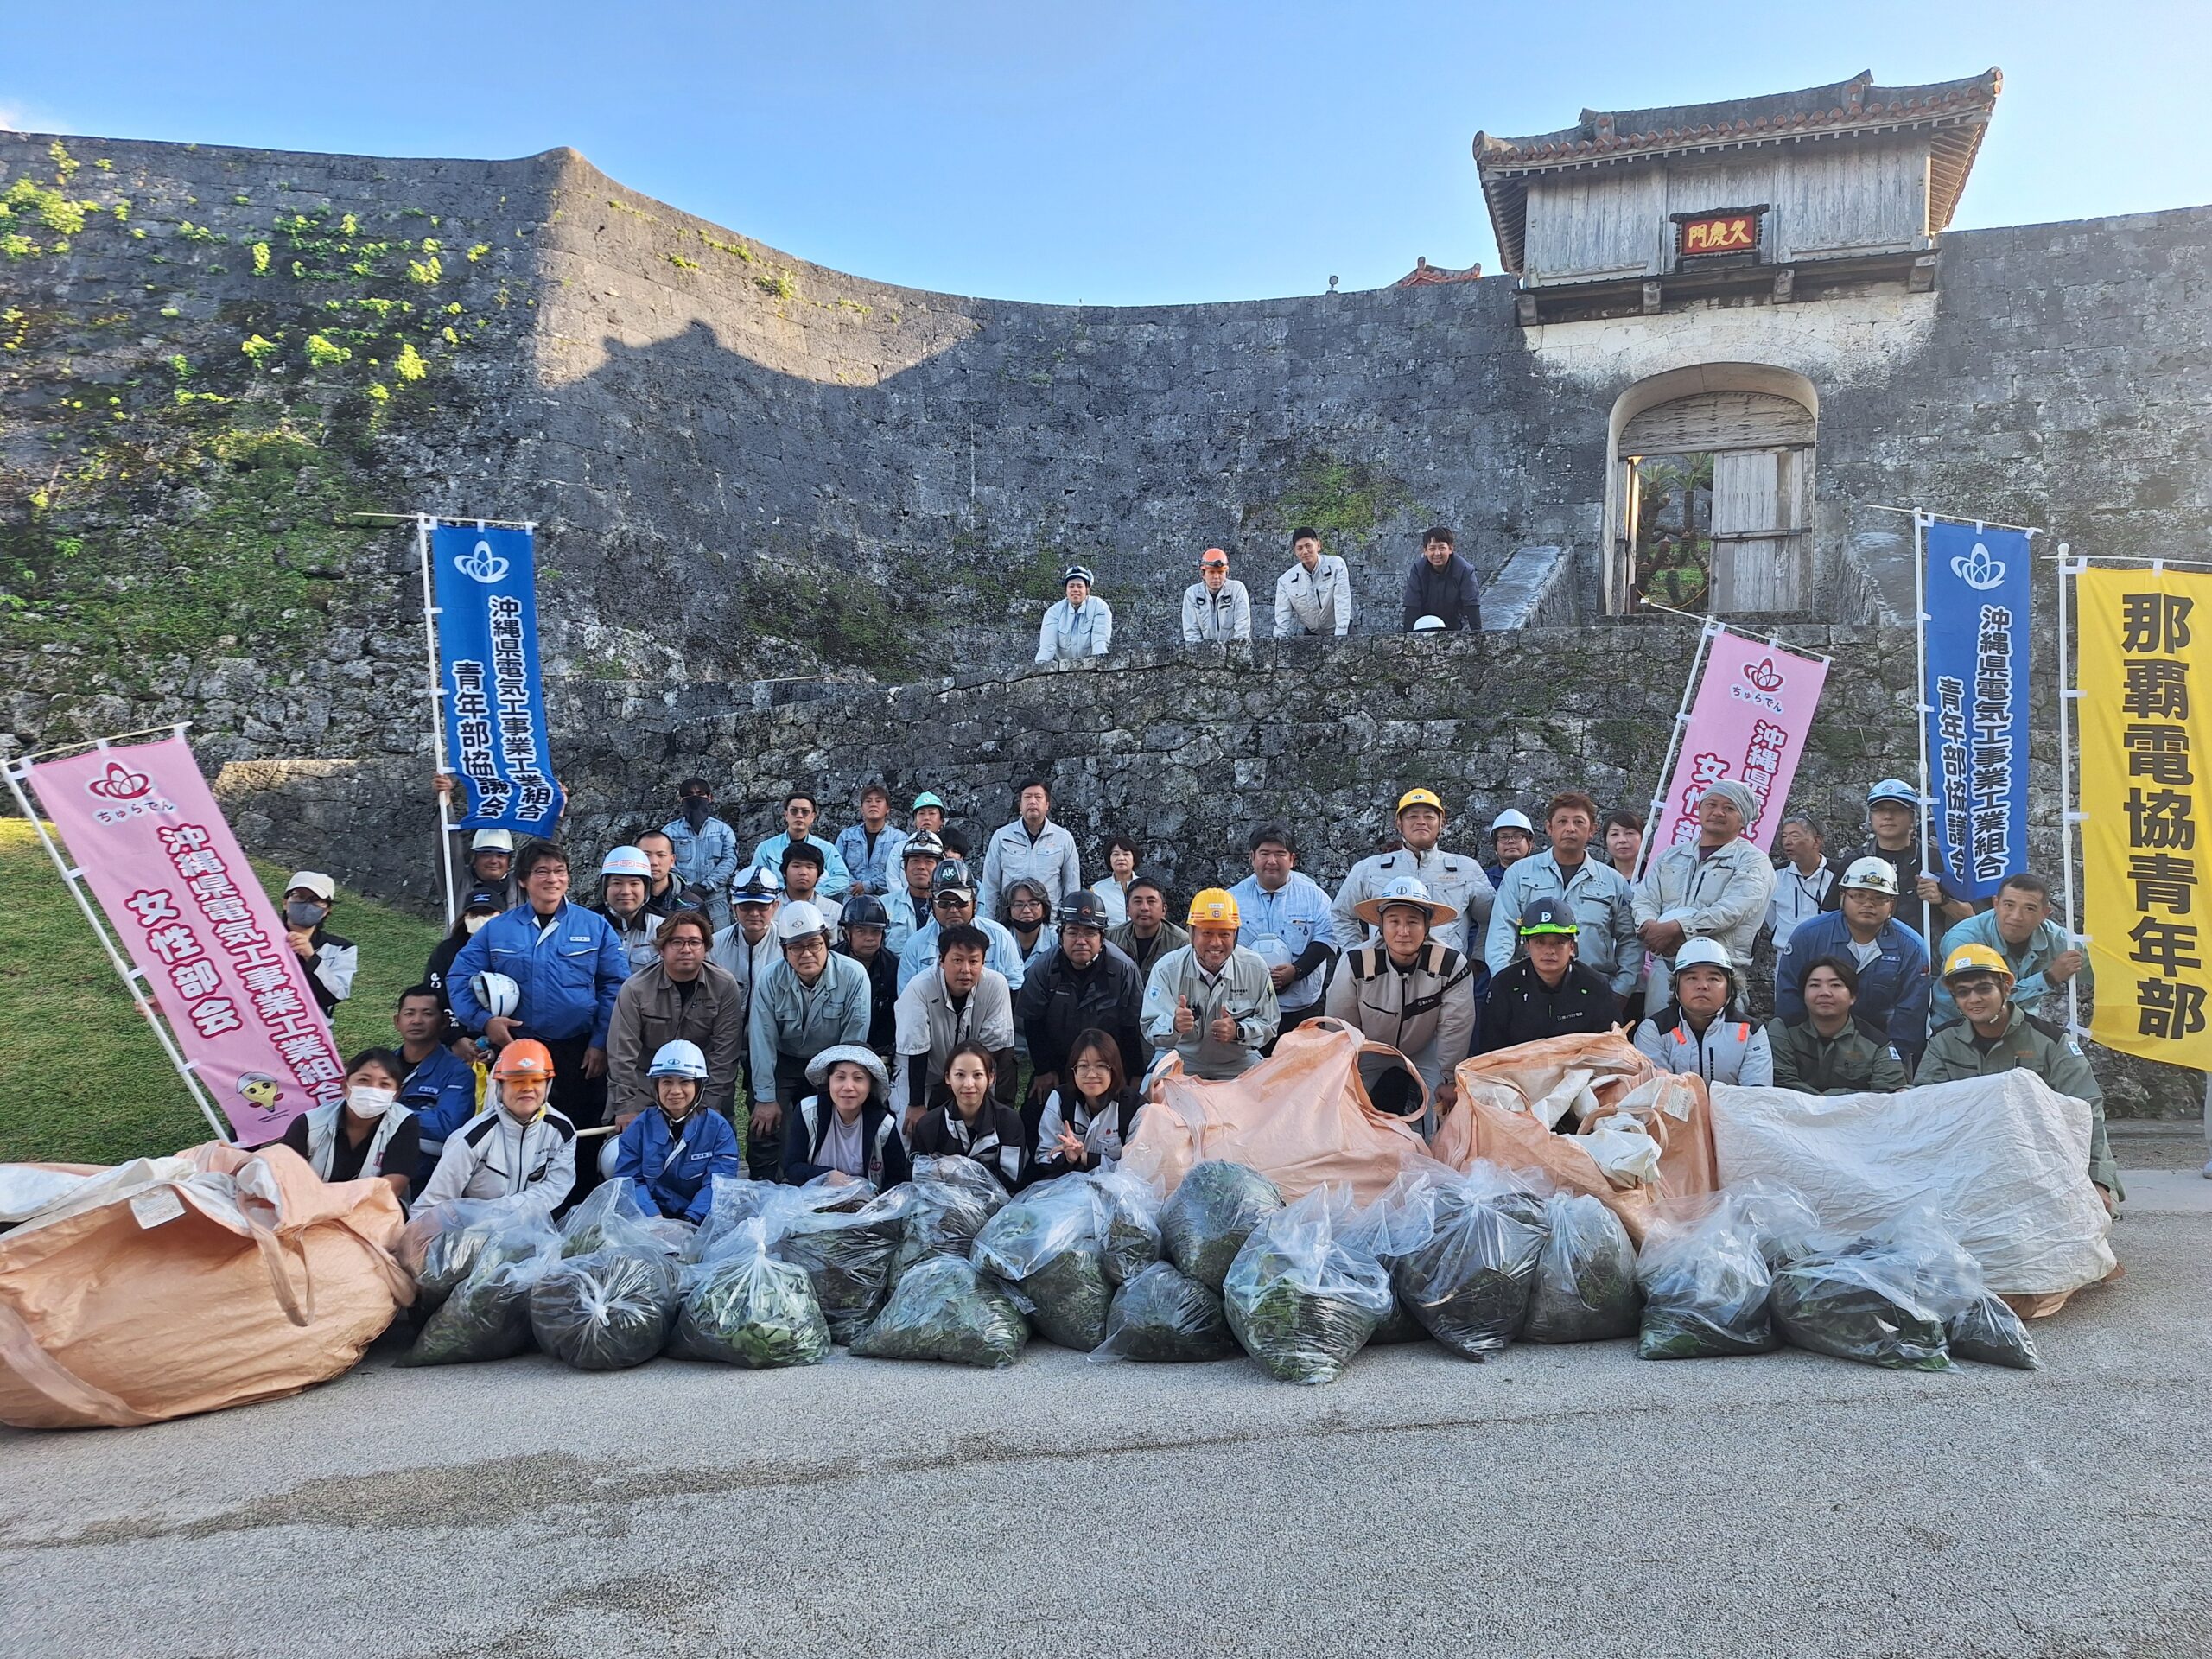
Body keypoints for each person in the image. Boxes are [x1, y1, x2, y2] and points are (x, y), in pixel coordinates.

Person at [448, 842, 628, 1149]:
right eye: (541, 872)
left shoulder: (594, 926)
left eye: (559, 871)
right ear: (522, 880)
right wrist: (484, 1021)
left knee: (579, 1136)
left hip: (580, 1052)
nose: (552, 879)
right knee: (517, 1135)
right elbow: (459, 977)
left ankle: (580, 1196)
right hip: (517, 1047)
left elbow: (616, 986)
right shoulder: (497, 929)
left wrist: (600, 1043)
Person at [1918, 944, 2120, 1209]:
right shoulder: (1943, 1042)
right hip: (1967, 1160)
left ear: (2006, 987)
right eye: (1963, 993)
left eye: (1983, 988)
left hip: (2043, 1158)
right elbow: (1924, 1107)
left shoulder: (2051, 1042)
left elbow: (2087, 1110)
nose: (1974, 999)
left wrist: (2099, 1181)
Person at [1324, 876, 1474, 1122]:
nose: (1403, 931)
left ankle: (1434, 1155)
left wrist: (1449, 1078)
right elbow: (1339, 1028)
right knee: (1342, 1107)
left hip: (1426, 1050)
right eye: (1394, 921)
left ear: (1427, 927)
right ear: (1381, 926)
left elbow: (1455, 1027)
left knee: (1445, 1111)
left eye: (1413, 922)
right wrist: (1340, 1074)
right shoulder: (1355, 961)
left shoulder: (1451, 964)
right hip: (1368, 1049)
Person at [747, 900, 873, 1181]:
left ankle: (821, 1183)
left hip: (834, 1062)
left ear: (827, 942)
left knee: (827, 1121)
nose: (806, 954)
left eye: (814, 945)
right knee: (764, 1126)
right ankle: (765, 1190)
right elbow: (761, 1038)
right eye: (796, 948)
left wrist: (840, 1085)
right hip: (784, 1061)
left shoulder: (853, 976)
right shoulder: (769, 978)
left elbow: (852, 1043)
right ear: (785, 951)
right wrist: (766, 1098)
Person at [1485, 793, 1640, 1014]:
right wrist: (1507, 984)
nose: (1570, 828)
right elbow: (1502, 930)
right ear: (1549, 828)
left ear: (1592, 830)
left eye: (1579, 822)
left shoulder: (1612, 881)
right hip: (1528, 992)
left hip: (1594, 993)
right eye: (1562, 821)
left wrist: (1621, 990)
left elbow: (1630, 940)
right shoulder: (1519, 874)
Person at [1775, 856, 1931, 1069]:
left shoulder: (1911, 947)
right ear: (1842, 897)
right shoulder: (1808, 936)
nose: (1868, 904)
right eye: (1858, 895)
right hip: (1813, 1048)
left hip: (1881, 1049)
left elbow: (1910, 1015)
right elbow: (1789, 999)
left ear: (1892, 904)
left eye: (1880, 898)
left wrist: (1895, 1064)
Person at [606, 911, 746, 1142]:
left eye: (694, 942)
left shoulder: (724, 985)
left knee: (711, 1151)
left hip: (703, 1085)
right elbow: (622, 1053)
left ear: (706, 948)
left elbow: (725, 1054)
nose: (686, 949)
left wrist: (708, 1107)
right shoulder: (635, 989)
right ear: (661, 949)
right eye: (677, 942)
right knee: (624, 1153)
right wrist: (625, 1107)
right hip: (646, 1085)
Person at [1017, 891, 1145, 1126]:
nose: (1081, 940)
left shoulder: (1123, 970)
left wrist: (1134, 1075)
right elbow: (1033, 1021)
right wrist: (1044, 1069)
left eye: (1089, 933)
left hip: (1109, 1062)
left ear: (1102, 937)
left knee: (1128, 1117)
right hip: (1057, 1058)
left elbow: (1131, 1025)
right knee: (1033, 1113)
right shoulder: (1043, 969)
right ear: (1060, 935)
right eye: (1073, 932)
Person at [1632, 780, 1775, 989]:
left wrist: (1678, 928)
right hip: (1666, 966)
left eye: (1729, 808)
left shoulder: (1754, 861)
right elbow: (1644, 899)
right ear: (1699, 810)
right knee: (1659, 1022)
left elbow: (1733, 909)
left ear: (1743, 820)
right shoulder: (1670, 857)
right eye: (1711, 805)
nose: (1718, 812)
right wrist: (1649, 926)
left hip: (1720, 969)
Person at [1331, 787, 1491, 957]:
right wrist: (1358, 957)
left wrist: (1479, 959)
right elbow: (1341, 915)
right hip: (1382, 975)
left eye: (1429, 816)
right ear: (1399, 824)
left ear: (1442, 823)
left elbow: (1491, 919)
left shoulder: (1467, 869)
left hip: (1445, 973)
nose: (1421, 822)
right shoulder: (1369, 869)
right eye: (1412, 816)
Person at [416, 1038, 577, 1207]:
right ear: (500, 1087)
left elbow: (557, 1186)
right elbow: (431, 1204)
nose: (528, 1088)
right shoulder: (470, 1139)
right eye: (517, 1081)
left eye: (536, 1080)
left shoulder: (562, 1130)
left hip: (533, 1227)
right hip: (473, 1230)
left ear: (548, 1085)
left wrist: (509, 1213)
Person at [1140, 889, 1281, 1080]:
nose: (1216, 943)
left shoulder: (1255, 968)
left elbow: (1269, 1023)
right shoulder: (1167, 969)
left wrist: (1238, 1031)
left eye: (1225, 934)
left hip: (1238, 1061)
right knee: (1150, 1100)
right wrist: (1174, 1025)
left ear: (1236, 935)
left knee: (1271, 1097)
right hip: (1179, 1058)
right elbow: (1149, 1026)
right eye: (1206, 933)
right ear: (1191, 933)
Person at [1822, 779, 1974, 949]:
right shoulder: (1855, 861)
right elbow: (1830, 916)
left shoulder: (1936, 859)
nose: (1887, 816)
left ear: (1913, 817)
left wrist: (1941, 899)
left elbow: (1971, 917)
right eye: (1879, 810)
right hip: (1864, 956)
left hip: (1925, 959)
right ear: (1870, 818)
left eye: (1897, 810)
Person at [891, 926, 1018, 1129]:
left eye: (974, 961)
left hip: (972, 1069)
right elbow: (916, 1050)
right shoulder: (919, 987)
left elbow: (995, 1048)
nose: (965, 970)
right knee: (908, 1130)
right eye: (957, 960)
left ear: (983, 962)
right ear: (941, 960)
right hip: (922, 1071)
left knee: (984, 1126)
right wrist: (916, 1105)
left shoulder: (996, 985)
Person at [1933, 872, 2091, 1027]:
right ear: (1996, 904)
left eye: (2029, 908)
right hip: (1958, 1023)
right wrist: (2049, 977)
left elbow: (2103, 969)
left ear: (2045, 914)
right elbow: (1981, 999)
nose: (2016, 916)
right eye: (2009, 905)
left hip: (2020, 1023)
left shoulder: (2060, 941)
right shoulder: (1964, 940)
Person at [612, 1039, 743, 1223]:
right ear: (656, 1086)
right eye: (667, 1082)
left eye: (685, 1082)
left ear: (698, 1087)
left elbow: (720, 1183)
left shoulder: (718, 1129)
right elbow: (630, 1180)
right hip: (649, 1220)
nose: (675, 1091)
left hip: (701, 1219)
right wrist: (655, 1220)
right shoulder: (638, 1128)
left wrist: (690, 1220)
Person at [1230, 823, 1338, 1044]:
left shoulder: (1314, 896)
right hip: (1249, 1010)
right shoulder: (1232, 899)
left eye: (1280, 854)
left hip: (1302, 1009)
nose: (1272, 861)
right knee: (1253, 1073)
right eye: (1265, 854)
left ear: (1292, 859)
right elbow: (1221, 946)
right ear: (1252, 857)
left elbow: (1328, 938)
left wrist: (1296, 971)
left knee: (1305, 1073)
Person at [1478, 898, 1622, 1061]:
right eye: (1540, 942)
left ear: (1572, 947)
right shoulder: (1504, 985)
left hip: (1581, 1075)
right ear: (1527, 946)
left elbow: (1611, 1049)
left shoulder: (1595, 986)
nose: (1549, 951)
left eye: (1559, 942)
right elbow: (1489, 1052)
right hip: (1515, 1076)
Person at [280, 1047, 420, 1202]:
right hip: (309, 1205)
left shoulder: (404, 1123)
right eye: (363, 1081)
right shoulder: (309, 1123)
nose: (373, 1090)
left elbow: (395, 1183)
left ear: (396, 1094)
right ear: (345, 1087)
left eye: (384, 1084)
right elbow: (287, 1176)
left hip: (374, 1208)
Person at [1632, 939, 1773, 1085]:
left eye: (1713, 978)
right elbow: (1656, 1091)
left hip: (1736, 1108)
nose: (1703, 986)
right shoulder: (1654, 1030)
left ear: (1729, 988)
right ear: (1676, 987)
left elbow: (1757, 1094)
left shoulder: (1752, 1031)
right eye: (1692, 978)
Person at [1768, 957, 1910, 1095]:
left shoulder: (1877, 1044)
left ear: (1853, 997)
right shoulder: (1783, 1030)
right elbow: (1781, 1082)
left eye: (1835, 985)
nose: (1824, 993)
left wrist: (1830, 1100)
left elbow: (1889, 1094)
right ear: (1804, 995)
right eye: (1814, 985)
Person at [392, 983, 481, 1188]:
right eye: (409, 1013)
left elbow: (447, 1126)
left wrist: (385, 1110)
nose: (416, 1020)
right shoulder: (380, 1064)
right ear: (397, 1021)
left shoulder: (458, 1072)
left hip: (425, 1180)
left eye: (427, 1014)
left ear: (444, 1022)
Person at [785, 1044, 912, 1187]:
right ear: (829, 1081)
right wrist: (827, 1176)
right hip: (811, 1202)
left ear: (870, 1085)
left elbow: (898, 1180)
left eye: (858, 1078)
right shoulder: (807, 1112)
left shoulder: (884, 1125)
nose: (848, 1087)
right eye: (840, 1077)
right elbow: (792, 1168)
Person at [895, 858, 1028, 994]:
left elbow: (1016, 986)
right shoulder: (915, 945)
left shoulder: (1000, 937)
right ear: (932, 906)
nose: (953, 910)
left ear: (975, 904)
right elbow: (907, 997)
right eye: (944, 903)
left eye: (961, 902)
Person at [907, 1043, 1027, 1192]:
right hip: (941, 1205)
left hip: (996, 1206)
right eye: (960, 1075)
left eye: (977, 1075)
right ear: (947, 1078)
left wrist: (957, 1171)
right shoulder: (928, 1125)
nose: (969, 1084)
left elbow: (1012, 1179)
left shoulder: (1009, 1122)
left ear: (991, 1078)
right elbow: (916, 1176)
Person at [1033, 1027, 1147, 1179]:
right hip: (1066, 1190)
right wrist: (1064, 1155)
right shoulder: (1061, 1099)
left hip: (1118, 1194)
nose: (1091, 1075)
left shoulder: (1135, 1108)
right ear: (1073, 1070)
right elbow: (1043, 1156)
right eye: (1083, 1066)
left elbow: (1136, 1168)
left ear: (1114, 1069)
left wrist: (1084, 1157)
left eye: (1101, 1066)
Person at [979, 779, 1084, 916]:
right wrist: (987, 924)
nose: (1032, 801)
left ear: (1047, 805)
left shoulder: (1063, 838)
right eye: (1027, 797)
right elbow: (989, 886)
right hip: (1011, 922)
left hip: (1050, 924)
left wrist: (1069, 925)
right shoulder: (1002, 837)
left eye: (1038, 797)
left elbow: (1072, 888)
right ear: (1020, 805)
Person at [424, 885, 504, 1054]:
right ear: (465, 917)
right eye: (474, 914)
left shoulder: (515, 952)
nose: (481, 919)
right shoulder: (446, 952)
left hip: (504, 1040)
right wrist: (455, 1038)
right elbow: (435, 996)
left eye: (488, 914)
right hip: (453, 1043)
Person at [664, 779, 740, 928]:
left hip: (716, 901)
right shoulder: (670, 832)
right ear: (681, 799)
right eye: (689, 795)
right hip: (682, 900)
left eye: (700, 794)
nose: (695, 798)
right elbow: (667, 862)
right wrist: (689, 887)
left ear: (710, 797)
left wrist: (708, 885)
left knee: (720, 944)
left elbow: (730, 859)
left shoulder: (723, 830)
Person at [281, 871, 357, 1017]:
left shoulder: (342, 948)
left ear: (326, 910)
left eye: (316, 900)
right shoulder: (262, 938)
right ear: (285, 902)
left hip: (306, 1031)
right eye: (300, 896)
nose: (307, 904)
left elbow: (335, 995)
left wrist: (311, 958)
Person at [750, 792, 852, 899]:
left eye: (805, 812)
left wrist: (813, 894)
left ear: (813, 817)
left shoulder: (827, 849)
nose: (799, 815)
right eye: (794, 811)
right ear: (786, 815)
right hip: (777, 906)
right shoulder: (766, 848)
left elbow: (842, 877)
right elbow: (757, 879)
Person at [836, 895, 900, 1059]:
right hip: (834, 1047)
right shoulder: (831, 961)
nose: (870, 938)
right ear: (846, 932)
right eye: (861, 931)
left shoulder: (894, 966)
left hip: (879, 1050)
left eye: (876, 931)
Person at [1769, 815, 1844, 947]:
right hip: (1787, 953)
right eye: (1784, 836)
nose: (1788, 842)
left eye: (1795, 836)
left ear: (1816, 841)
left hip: (1827, 953)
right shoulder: (1775, 875)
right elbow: (1770, 915)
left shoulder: (1838, 874)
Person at [591, 845, 660, 975]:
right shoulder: (587, 924)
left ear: (646, 889)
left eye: (634, 884)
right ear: (605, 888)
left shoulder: (663, 925)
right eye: (617, 883)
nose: (626, 892)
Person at [834, 782, 908, 899]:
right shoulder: (847, 836)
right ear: (861, 808)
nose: (873, 804)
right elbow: (837, 866)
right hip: (850, 899)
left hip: (886, 900)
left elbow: (900, 871)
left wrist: (868, 886)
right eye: (868, 801)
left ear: (887, 809)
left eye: (878, 801)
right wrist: (853, 886)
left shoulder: (899, 839)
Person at [1274, 527, 1352, 639]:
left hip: (1342, 629)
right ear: (1295, 551)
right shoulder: (1285, 581)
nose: (1305, 552)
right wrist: (1278, 644)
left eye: (1308, 546)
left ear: (1318, 545)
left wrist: (1340, 638)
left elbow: (1342, 600)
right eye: (1300, 548)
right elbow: (1282, 615)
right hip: (1312, 634)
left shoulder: (1336, 565)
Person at [1401, 527, 1480, 632]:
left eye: (1442, 548)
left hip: (1455, 622)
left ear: (1450, 549)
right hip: (1425, 622)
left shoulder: (1465, 570)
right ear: (1425, 551)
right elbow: (1412, 605)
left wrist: (1478, 635)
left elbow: (1472, 604)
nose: (1437, 553)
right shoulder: (1418, 570)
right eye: (1432, 549)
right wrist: (1407, 637)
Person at [1108, 875, 1188, 977]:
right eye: (1137, 901)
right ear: (1127, 909)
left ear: (1164, 909)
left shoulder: (1181, 942)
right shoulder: (1111, 937)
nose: (1144, 908)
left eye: (1151, 901)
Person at [1038, 563, 1114, 664]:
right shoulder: (1054, 612)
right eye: (1071, 586)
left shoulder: (1099, 607)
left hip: (1091, 665)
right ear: (1066, 590)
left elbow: (1099, 643)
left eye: (1080, 586)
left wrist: (1099, 667)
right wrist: (1041, 667)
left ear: (1087, 589)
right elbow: (1047, 647)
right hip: (1065, 667)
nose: (1075, 590)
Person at [885, 832, 944, 961]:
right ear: (904, 867)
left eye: (929, 861)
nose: (921, 867)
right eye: (915, 860)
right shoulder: (884, 905)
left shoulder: (951, 908)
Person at [1182, 547, 1253, 643]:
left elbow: (1242, 628)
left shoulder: (1237, 590)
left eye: (1220, 572)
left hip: (1232, 651)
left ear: (1226, 573)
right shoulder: (1192, 594)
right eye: (1211, 572)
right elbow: (1191, 634)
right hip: (1203, 653)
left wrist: (1235, 652)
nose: (1216, 577)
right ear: (1203, 574)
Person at [1001, 878, 1059, 984]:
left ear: (1044, 909)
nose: (1026, 911)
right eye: (1019, 905)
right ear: (1008, 911)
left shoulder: (1057, 939)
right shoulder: (1000, 938)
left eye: (1033, 904)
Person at [779, 841, 842, 930]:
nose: (803, 872)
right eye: (796, 866)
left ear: (819, 875)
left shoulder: (835, 911)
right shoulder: (770, 908)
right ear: (784, 872)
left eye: (810, 867)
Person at [455, 827, 517, 911]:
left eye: (500, 856)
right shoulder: (457, 883)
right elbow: (447, 851)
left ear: (509, 861)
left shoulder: (520, 887)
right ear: (474, 858)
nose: (493, 861)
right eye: (486, 855)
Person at [633, 830, 687, 919]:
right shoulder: (625, 900)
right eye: (646, 855)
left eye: (661, 855)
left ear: (672, 860)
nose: (653, 862)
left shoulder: (691, 904)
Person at [1091, 835, 1141, 926]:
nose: (1121, 858)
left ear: (1134, 859)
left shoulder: (1146, 887)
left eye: (1126, 854)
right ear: (1109, 860)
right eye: (1115, 854)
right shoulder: (1096, 890)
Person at [1482, 810, 1535, 887]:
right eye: (1504, 837)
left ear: (1530, 843)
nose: (1510, 841)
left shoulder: (1544, 875)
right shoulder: (1485, 881)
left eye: (1517, 836)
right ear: (1495, 846)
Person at [1601, 809, 1644, 881]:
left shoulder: (1655, 876)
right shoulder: (1599, 878)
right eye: (1614, 834)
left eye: (1629, 833)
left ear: (1642, 838)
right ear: (1605, 841)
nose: (1622, 840)